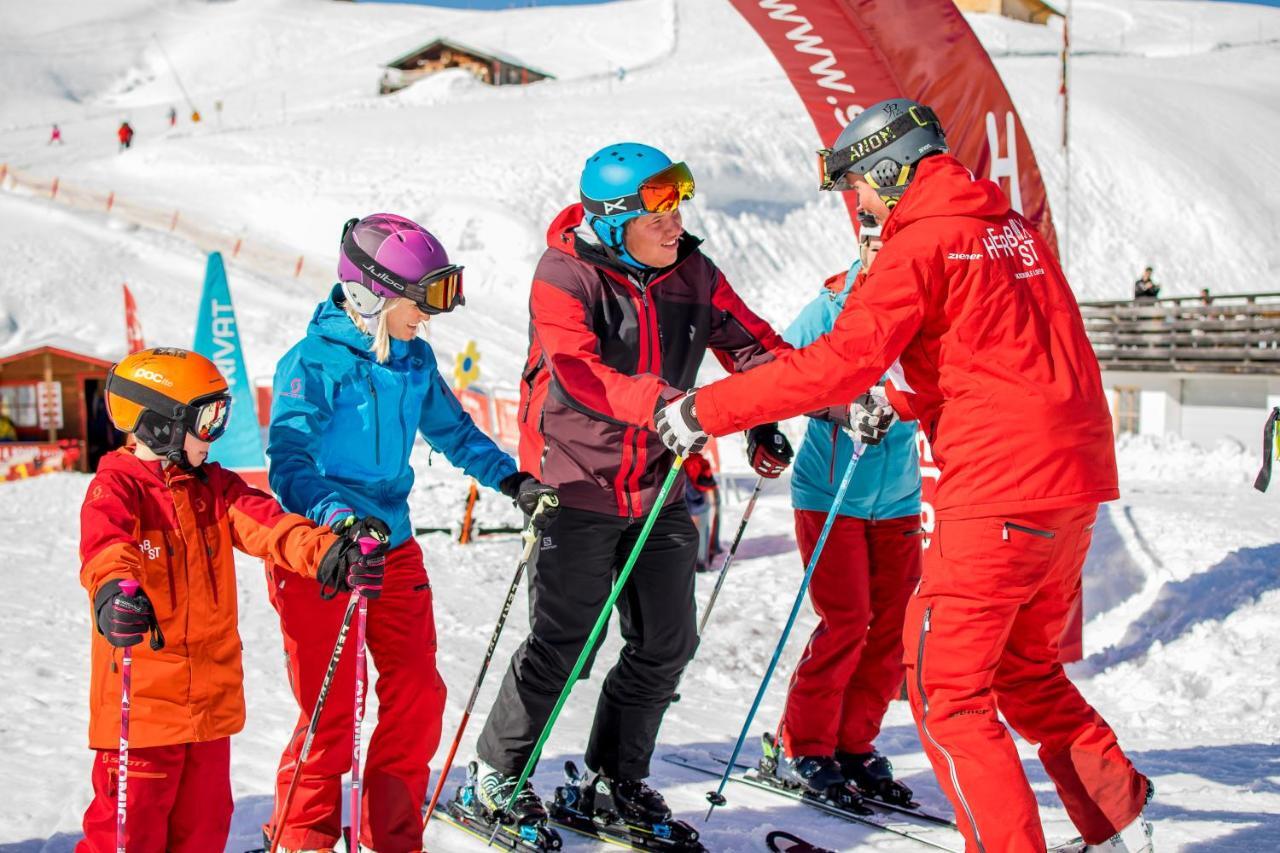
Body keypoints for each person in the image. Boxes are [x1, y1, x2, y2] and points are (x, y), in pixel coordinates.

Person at [654, 99, 1153, 853]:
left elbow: (834, 363)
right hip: (1071, 489)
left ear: (889, 170)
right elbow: (1017, 353)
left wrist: (707, 409)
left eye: (859, 184)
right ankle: (1118, 824)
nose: (858, 203)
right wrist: (902, 397)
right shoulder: (1009, 229)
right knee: (1022, 671)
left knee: (947, 693)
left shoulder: (920, 241)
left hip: (999, 491)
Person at [469, 143, 794, 834]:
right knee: (565, 640)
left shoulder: (692, 272)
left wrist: (778, 411)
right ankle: (498, 770)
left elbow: (755, 349)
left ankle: (611, 778)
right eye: (658, 211)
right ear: (615, 219)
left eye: (678, 204)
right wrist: (665, 405)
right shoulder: (564, 274)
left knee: (668, 640)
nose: (676, 222)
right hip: (575, 481)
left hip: (658, 484)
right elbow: (578, 374)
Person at [265, 213, 558, 852]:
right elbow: (288, 465)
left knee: (418, 695)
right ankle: (302, 838)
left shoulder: (413, 358)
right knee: (330, 713)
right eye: (420, 301)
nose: (429, 317)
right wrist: (339, 520)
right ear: (372, 293)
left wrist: (512, 481)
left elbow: (452, 433)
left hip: (392, 547)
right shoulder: (311, 363)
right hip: (324, 553)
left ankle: (391, 836)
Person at [76, 347, 373, 852]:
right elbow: (107, 550)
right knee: (128, 837)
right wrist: (113, 596)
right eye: (207, 420)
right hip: (145, 712)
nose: (216, 434)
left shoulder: (214, 488)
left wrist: (330, 555)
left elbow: (273, 527)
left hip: (210, 711)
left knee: (204, 832)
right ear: (161, 425)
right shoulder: (118, 488)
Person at [766, 220, 924, 808]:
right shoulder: (834, 305)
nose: (887, 254)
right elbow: (773, 370)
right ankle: (804, 744)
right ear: (861, 245)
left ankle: (854, 745)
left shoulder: (928, 301)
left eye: (897, 242)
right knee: (847, 620)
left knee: (890, 628)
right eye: (877, 243)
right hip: (830, 492)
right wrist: (837, 410)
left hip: (900, 495)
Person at [682, 451, 718, 572]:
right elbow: (709, 480)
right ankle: (701, 561)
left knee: (691, 532)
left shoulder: (683, 461)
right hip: (700, 499)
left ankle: (694, 562)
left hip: (688, 500)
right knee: (702, 531)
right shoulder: (700, 459)